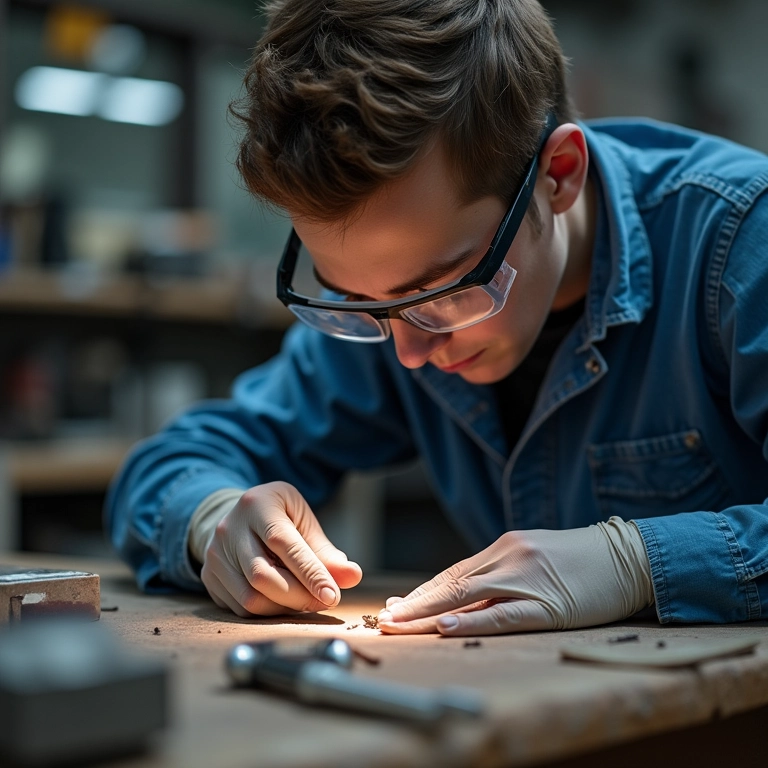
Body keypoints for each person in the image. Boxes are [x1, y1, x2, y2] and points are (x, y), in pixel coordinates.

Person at [106, 0, 768, 636]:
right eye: (359, 302)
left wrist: (641, 564)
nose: (408, 356)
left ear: (558, 176)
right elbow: (170, 464)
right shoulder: (394, 304)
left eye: (441, 293)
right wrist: (214, 521)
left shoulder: (740, 244)